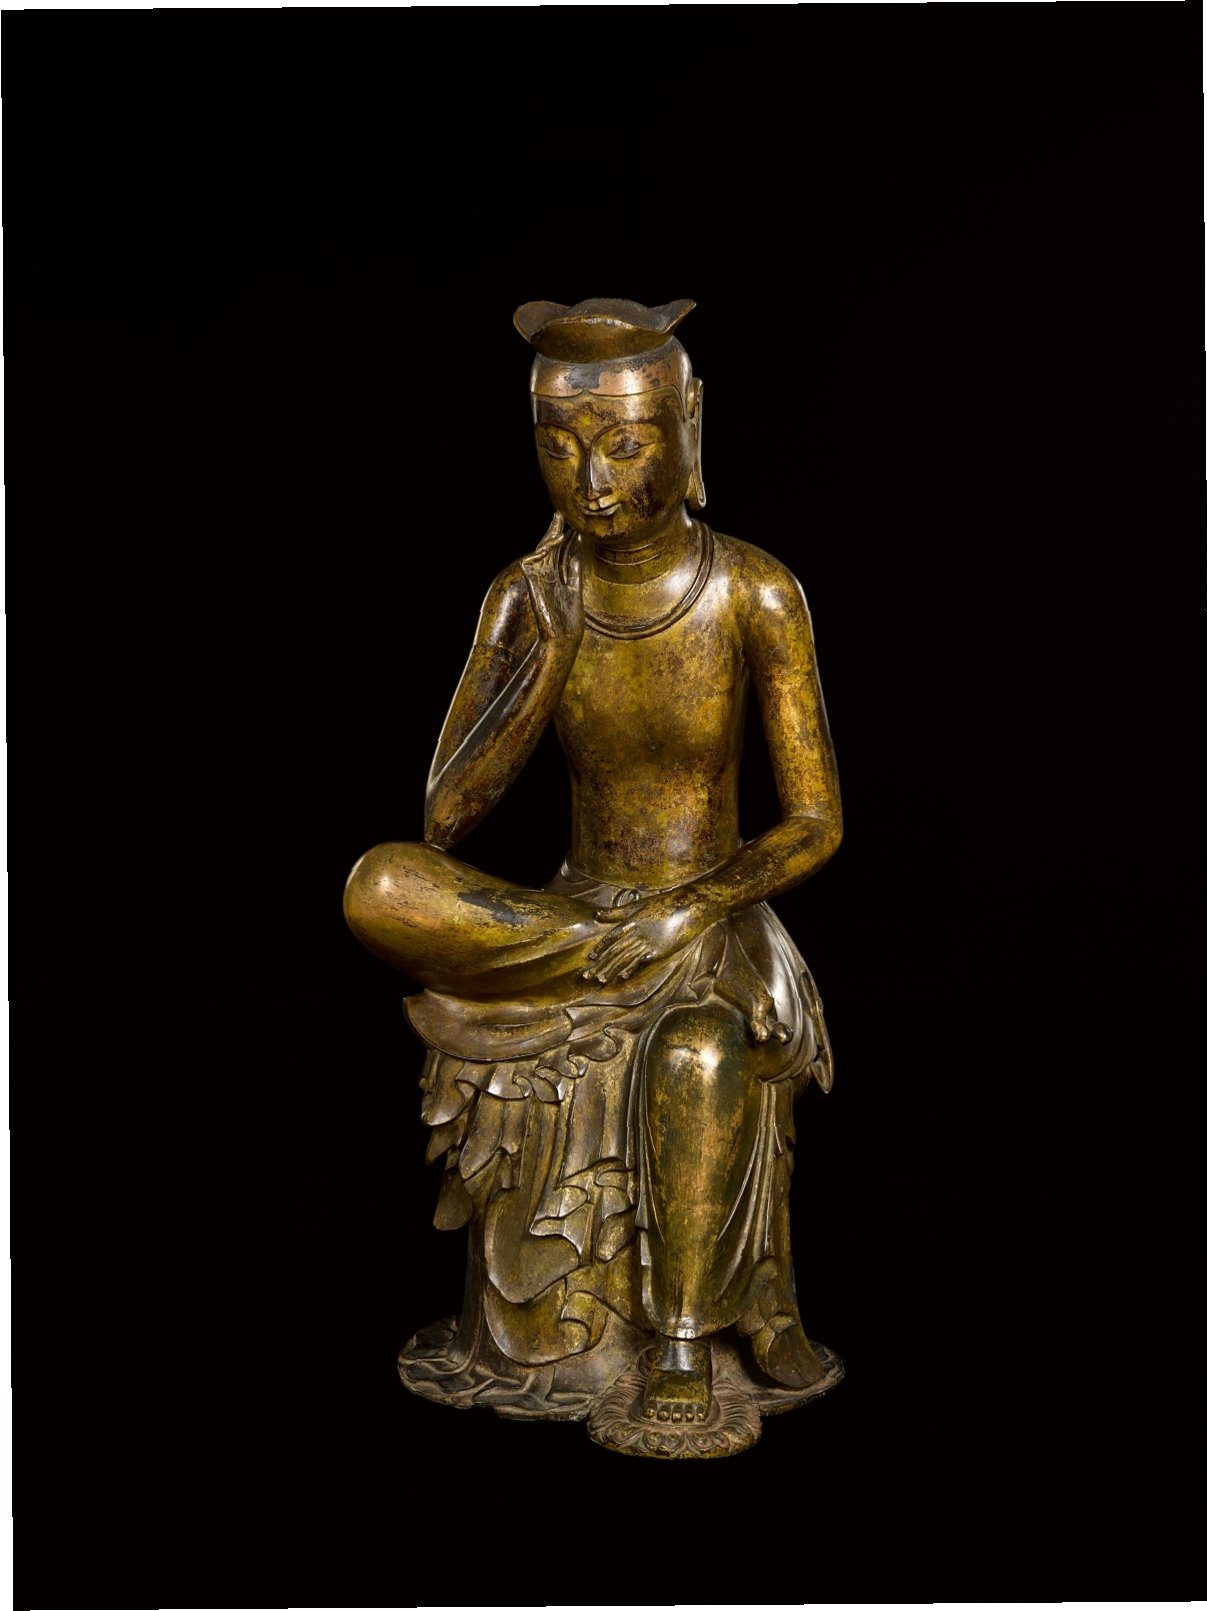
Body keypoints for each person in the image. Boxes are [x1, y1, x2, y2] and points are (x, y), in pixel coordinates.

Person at [344, 297, 842, 1440]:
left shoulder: (752, 592)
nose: (591, 479)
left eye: (622, 442)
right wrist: (549, 646)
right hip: (574, 917)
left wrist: (683, 913)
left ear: (687, 427)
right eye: (558, 447)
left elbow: (815, 822)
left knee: (699, 1050)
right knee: (378, 883)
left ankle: (682, 1340)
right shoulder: (524, 593)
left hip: (707, 917)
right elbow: (446, 819)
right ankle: (589, 958)